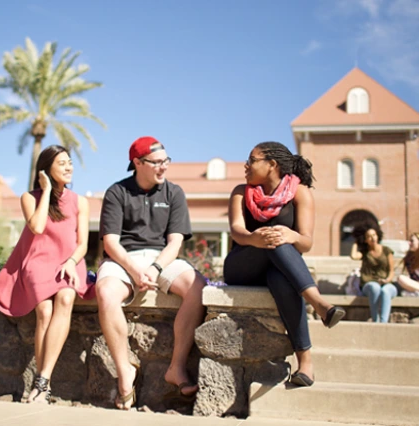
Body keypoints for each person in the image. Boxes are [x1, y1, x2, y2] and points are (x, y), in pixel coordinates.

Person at [223, 141, 345, 388]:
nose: (246, 165)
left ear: (272, 164)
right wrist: (253, 239)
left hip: (277, 268)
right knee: (273, 237)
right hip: (242, 265)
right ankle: (319, 303)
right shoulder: (240, 191)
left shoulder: (300, 193)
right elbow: (236, 231)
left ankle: (306, 364)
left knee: (281, 274)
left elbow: (306, 242)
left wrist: (293, 236)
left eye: (252, 159)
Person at [96, 136, 206, 410]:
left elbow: (176, 242)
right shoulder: (116, 192)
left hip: (162, 258)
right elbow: (111, 242)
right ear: (137, 163)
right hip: (123, 258)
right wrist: (134, 270)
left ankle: (176, 368)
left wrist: (155, 268)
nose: (163, 167)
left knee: (198, 287)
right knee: (106, 293)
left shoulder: (174, 193)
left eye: (166, 161)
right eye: (156, 162)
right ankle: (125, 373)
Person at [0, 145, 94, 403]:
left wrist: (70, 262)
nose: (69, 167)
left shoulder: (80, 201)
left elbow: (82, 244)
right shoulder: (30, 197)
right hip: (38, 261)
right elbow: (36, 227)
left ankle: (42, 381)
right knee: (44, 312)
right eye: (62, 163)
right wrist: (47, 190)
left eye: (70, 162)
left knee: (66, 298)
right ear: (46, 170)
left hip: (70, 261)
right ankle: (41, 380)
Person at [350, 223, 396, 323]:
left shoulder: (387, 251)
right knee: (375, 287)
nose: (372, 238)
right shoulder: (365, 253)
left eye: (374, 235)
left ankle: (383, 323)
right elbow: (353, 256)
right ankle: (376, 320)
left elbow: (392, 271)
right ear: (365, 240)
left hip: (386, 283)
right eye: (369, 236)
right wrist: (356, 242)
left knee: (385, 291)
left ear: (378, 235)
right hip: (369, 284)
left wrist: (386, 280)